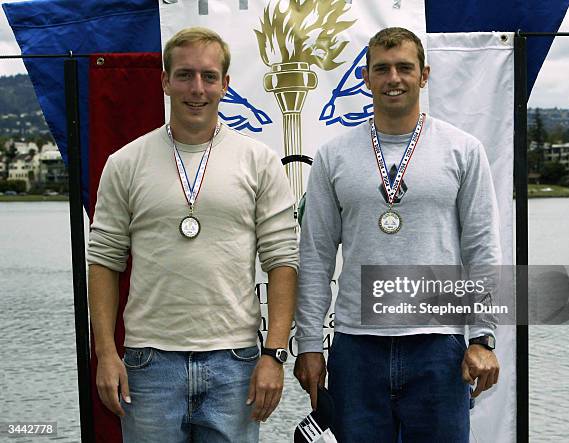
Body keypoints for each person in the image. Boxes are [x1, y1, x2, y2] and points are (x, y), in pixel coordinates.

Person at [87, 27, 298, 442]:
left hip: (235, 363)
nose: (196, 88)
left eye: (208, 76)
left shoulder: (259, 161)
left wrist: (274, 354)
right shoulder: (125, 162)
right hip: (148, 365)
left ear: (226, 84)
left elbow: (282, 261)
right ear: (165, 81)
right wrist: (106, 353)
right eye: (184, 75)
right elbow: (104, 260)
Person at [293, 27, 501, 442]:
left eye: (405, 68)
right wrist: (310, 345)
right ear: (366, 78)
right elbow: (315, 257)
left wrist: (482, 336)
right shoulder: (333, 156)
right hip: (356, 347)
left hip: (439, 347)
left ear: (424, 75)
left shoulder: (463, 150)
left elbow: (482, 249)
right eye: (382, 69)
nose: (393, 78)